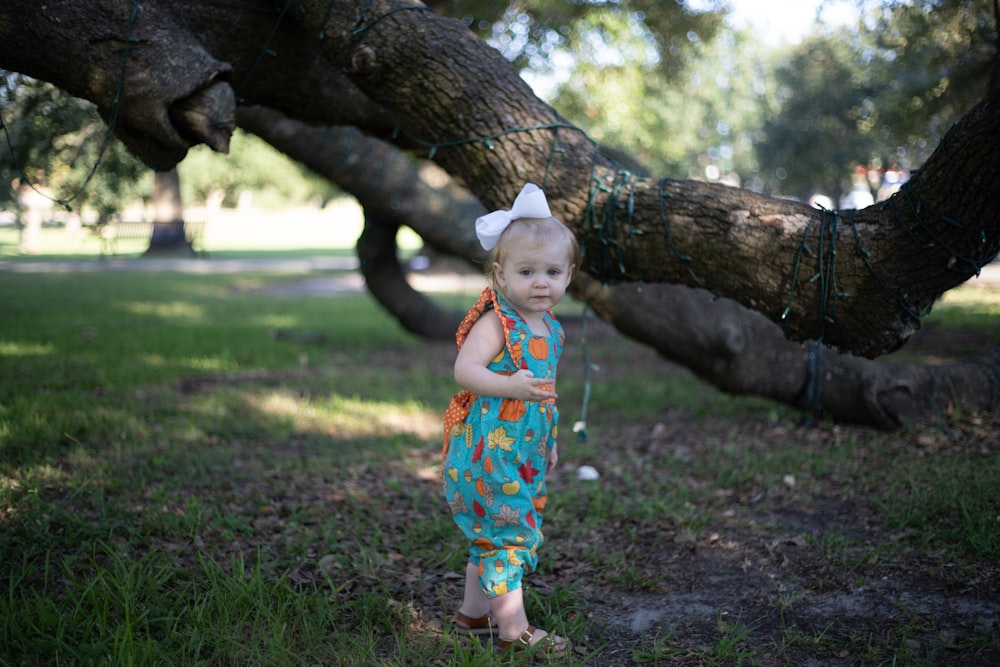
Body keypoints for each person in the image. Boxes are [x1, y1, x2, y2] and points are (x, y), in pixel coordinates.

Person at [441, 183, 580, 654]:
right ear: (500, 275)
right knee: (507, 536)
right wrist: (509, 386)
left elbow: (542, 398)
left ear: (569, 274)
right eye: (527, 271)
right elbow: (465, 369)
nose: (541, 282)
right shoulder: (498, 322)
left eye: (553, 271)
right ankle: (512, 632)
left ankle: (473, 614)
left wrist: (548, 441)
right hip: (487, 452)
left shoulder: (552, 327)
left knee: (496, 533)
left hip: (522, 450)